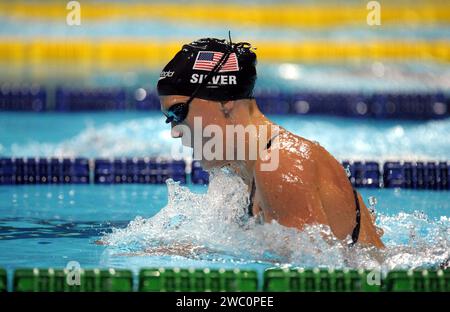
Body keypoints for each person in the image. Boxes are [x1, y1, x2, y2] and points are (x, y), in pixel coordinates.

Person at [157, 37, 384, 248]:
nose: (175, 132)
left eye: (178, 112)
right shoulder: (243, 173)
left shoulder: (280, 162)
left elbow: (306, 279)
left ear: (224, 101)